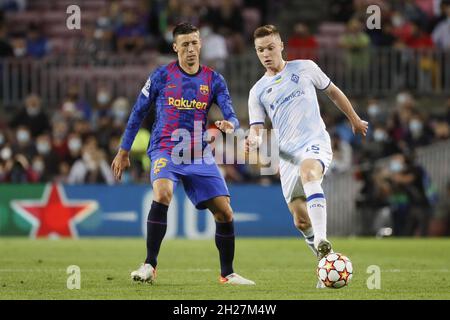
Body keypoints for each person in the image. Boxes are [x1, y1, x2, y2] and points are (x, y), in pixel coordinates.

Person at [111, 22, 254, 285]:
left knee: (225, 213)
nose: (191, 49)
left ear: (201, 44)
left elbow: (229, 111)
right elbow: (137, 112)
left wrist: (231, 123)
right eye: (185, 44)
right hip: (165, 147)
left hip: (198, 153)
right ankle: (149, 265)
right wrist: (123, 150)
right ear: (175, 47)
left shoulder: (213, 79)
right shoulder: (161, 76)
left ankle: (227, 273)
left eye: (194, 43)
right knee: (163, 193)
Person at [245, 25, 368, 288]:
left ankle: (323, 239)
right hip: (287, 155)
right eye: (259, 50)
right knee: (300, 220)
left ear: (281, 46)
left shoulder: (305, 67)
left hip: (314, 142)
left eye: (269, 47)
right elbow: (256, 128)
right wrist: (253, 139)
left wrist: (355, 120)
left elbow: (333, 92)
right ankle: (326, 262)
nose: (265, 54)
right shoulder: (257, 91)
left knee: (309, 172)